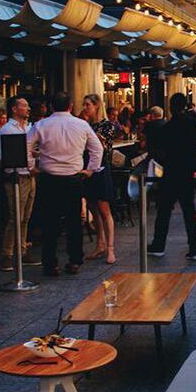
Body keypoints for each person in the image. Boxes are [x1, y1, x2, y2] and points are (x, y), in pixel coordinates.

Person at [30, 92, 103, 276]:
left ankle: (50, 263)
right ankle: (74, 260)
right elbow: (97, 149)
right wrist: (91, 169)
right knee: (74, 222)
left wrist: (32, 167)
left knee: (50, 222)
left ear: (52, 107)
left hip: (49, 178)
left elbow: (24, 145)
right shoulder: (81, 124)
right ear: (70, 106)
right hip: (73, 178)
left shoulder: (41, 125)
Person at [147, 93, 196, 260]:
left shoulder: (166, 128)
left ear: (170, 107)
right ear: (185, 106)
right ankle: (195, 249)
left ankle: (158, 245)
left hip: (171, 173)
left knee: (164, 211)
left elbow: (160, 150)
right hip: (187, 172)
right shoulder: (193, 125)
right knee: (189, 210)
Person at [0, 95, 37, 271]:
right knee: (16, 217)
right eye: (24, 106)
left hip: (30, 175)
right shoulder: (7, 130)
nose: (28, 109)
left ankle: (22, 250)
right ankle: (7, 254)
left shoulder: (28, 128)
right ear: (14, 109)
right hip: (17, 176)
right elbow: (5, 155)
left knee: (26, 216)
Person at [81, 94, 119, 265]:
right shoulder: (85, 125)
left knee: (104, 209)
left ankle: (111, 247)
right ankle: (100, 244)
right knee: (93, 207)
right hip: (87, 167)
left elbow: (103, 146)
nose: (85, 107)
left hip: (101, 168)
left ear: (96, 106)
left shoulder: (107, 125)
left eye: (88, 104)